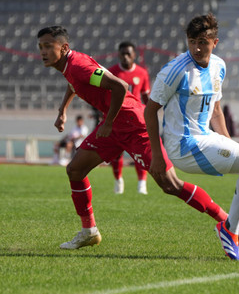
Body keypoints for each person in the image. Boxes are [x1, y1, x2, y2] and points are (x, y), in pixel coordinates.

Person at [37, 25, 227, 250]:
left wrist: (107, 123)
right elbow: (74, 84)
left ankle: (227, 221)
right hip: (114, 125)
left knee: (170, 184)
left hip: (133, 124)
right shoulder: (70, 66)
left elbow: (120, 85)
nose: (43, 51)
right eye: (40, 47)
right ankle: (89, 231)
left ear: (64, 47)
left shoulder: (77, 66)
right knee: (75, 170)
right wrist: (62, 111)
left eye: (48, 46)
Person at [145, 12, 239, 261]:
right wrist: (158, 154)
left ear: (215, 43)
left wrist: (229, 143)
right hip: (184, 146)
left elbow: (215, 110)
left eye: (203, 42)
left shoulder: (219, 66)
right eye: (192, 41)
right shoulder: (175, 71)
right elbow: (150, 111)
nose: (196, 47)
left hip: (206, 138)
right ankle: (229, 228)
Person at [108, 41, 151, 194]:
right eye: (122, 54)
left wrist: (150, 115)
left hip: (137, 120)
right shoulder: (112, 72)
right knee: (116, 152)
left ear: (134, 55)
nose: (125, 57)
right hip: (118, 119)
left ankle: (142, 184)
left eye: (128, 54)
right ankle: (118, 180)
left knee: (140, 152)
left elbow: (146, 97)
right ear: (118, 55)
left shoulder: (142, 72)